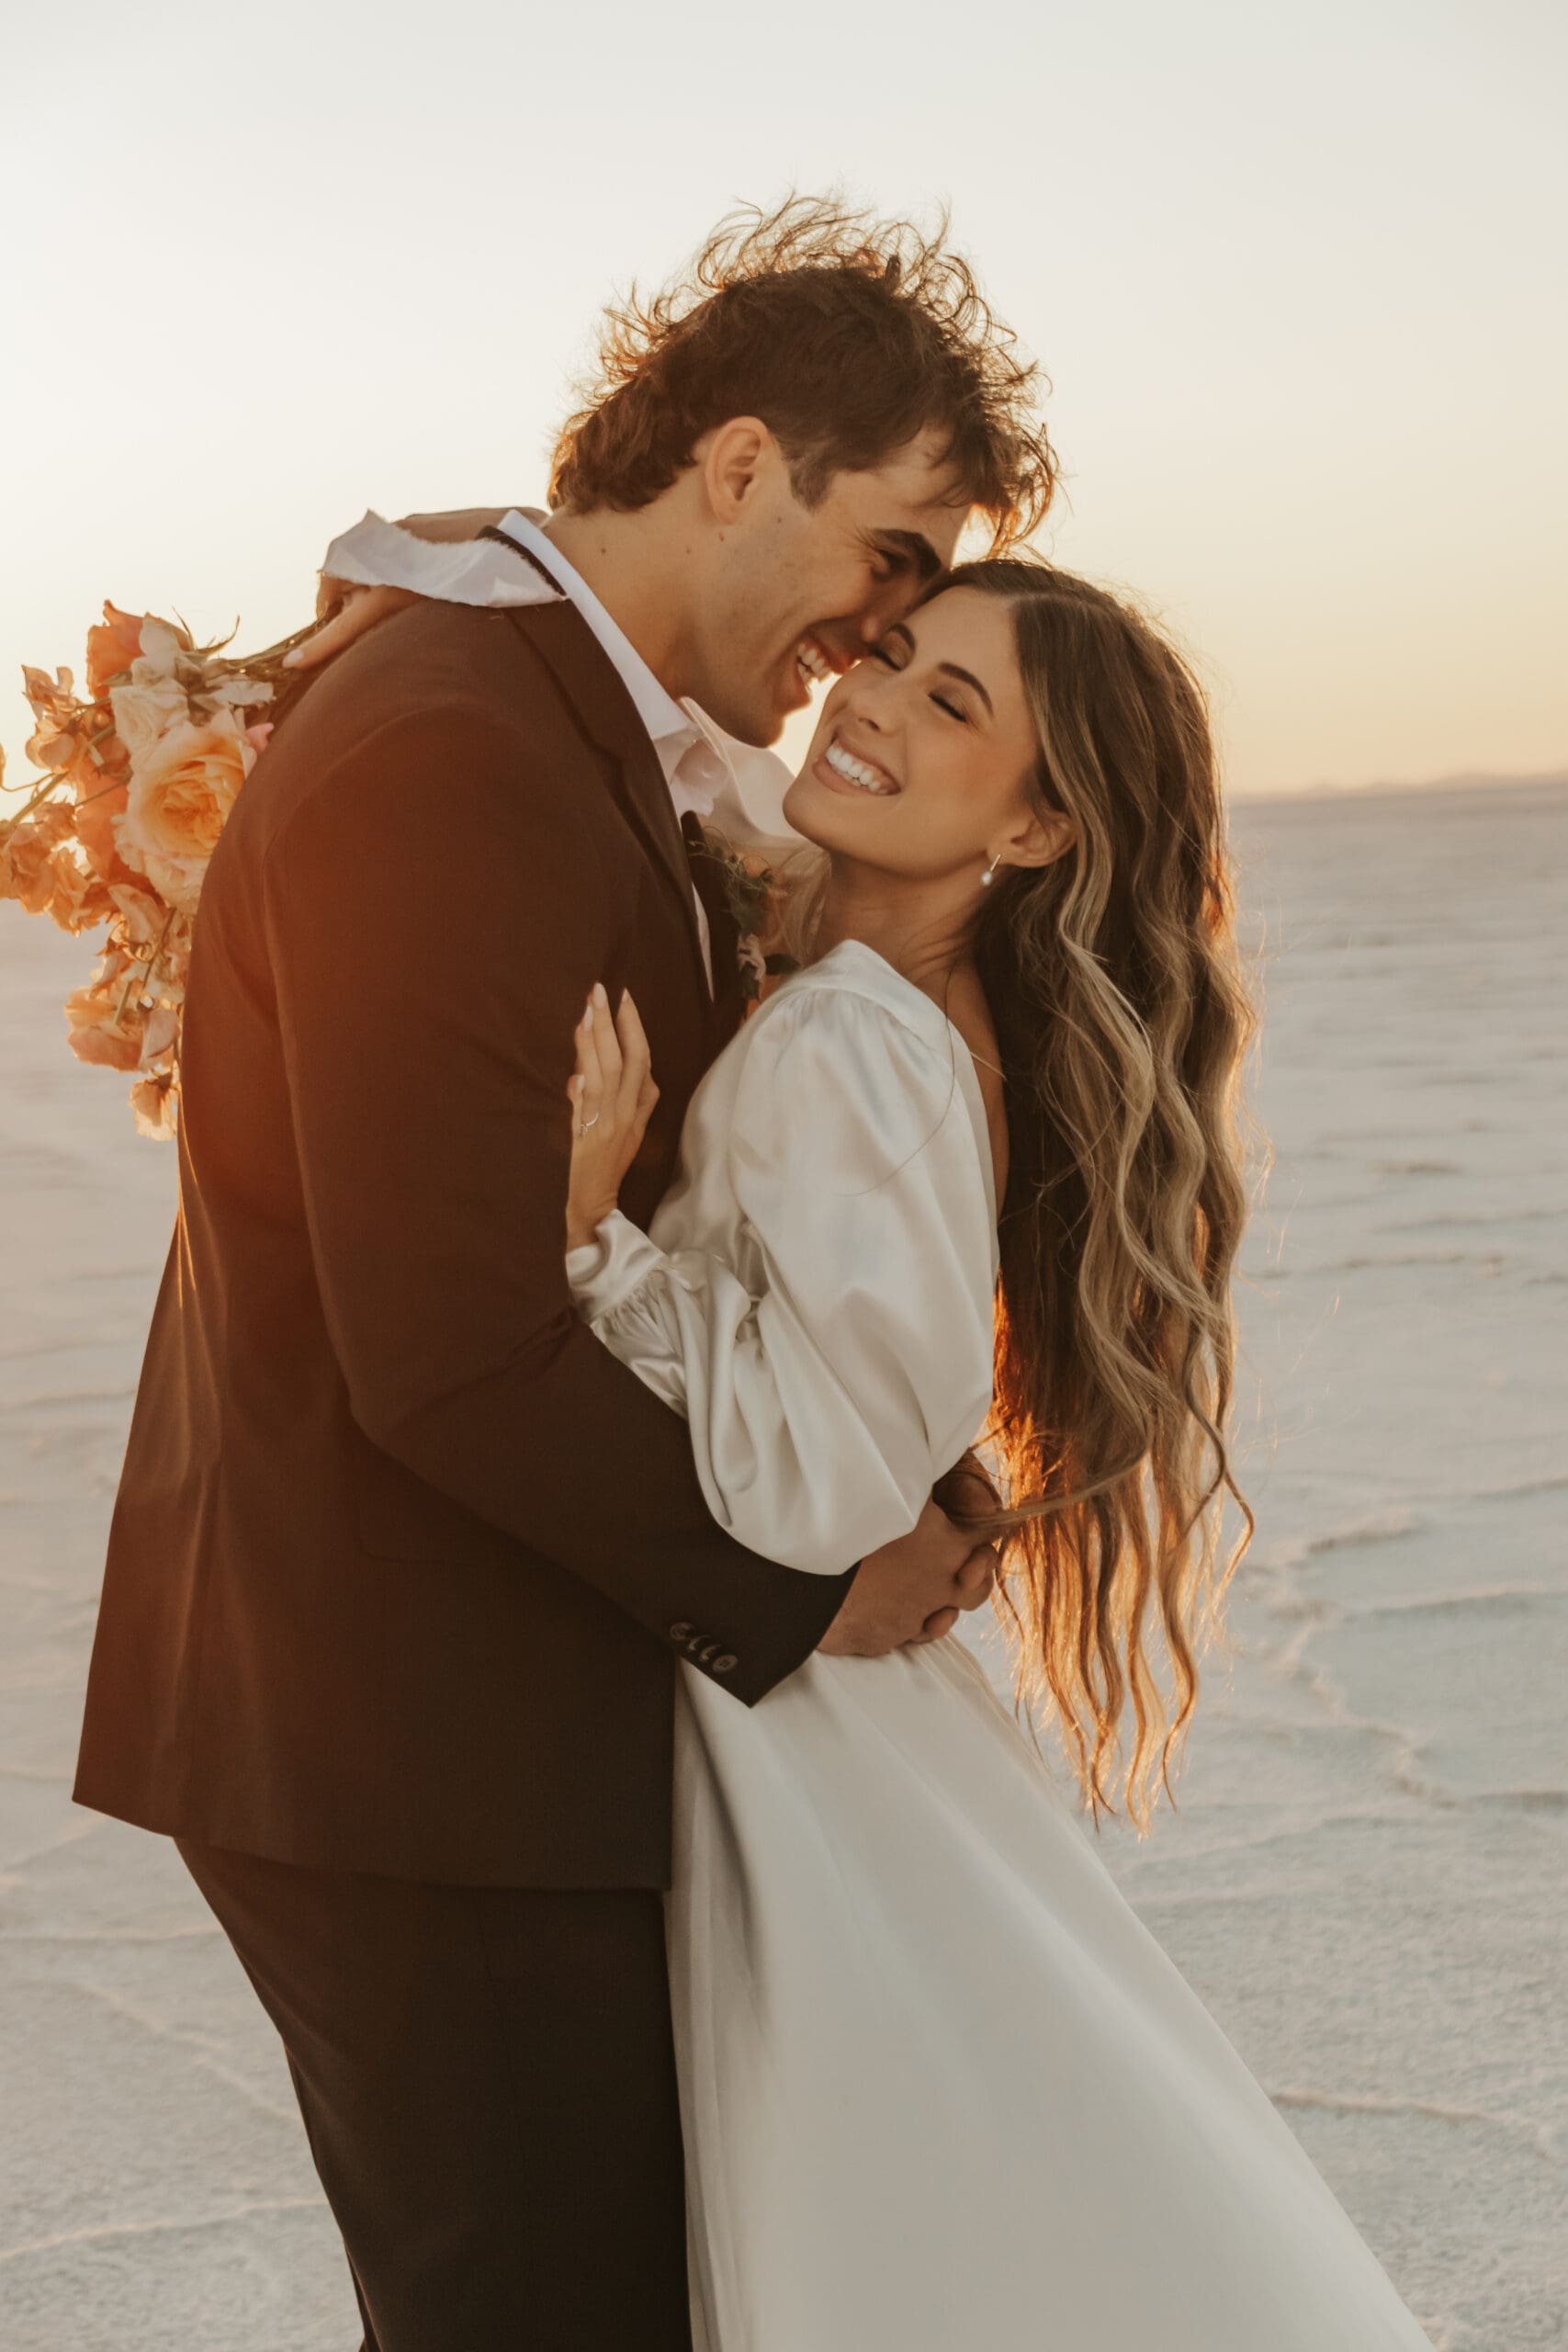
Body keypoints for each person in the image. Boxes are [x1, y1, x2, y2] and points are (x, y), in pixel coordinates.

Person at [70, 201, 1049, 2350]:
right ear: (736, 462)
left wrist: (906, 1458)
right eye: (887, 550)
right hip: (405, 1730)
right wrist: (804, 1588)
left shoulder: (551, 711)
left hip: (469, 1706)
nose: (876, 630)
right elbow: (443, 1350)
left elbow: (681, 1209)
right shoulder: (456, 747)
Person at [308, 536, 1438, 2346]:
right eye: (887, 654)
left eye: (950, 701)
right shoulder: (872, 991)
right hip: (824, 1728)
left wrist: (595, 1238)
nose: (869, 706)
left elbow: (809, 1485)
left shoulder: (854, 1037)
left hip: (795, 1749)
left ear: (1034, 831)